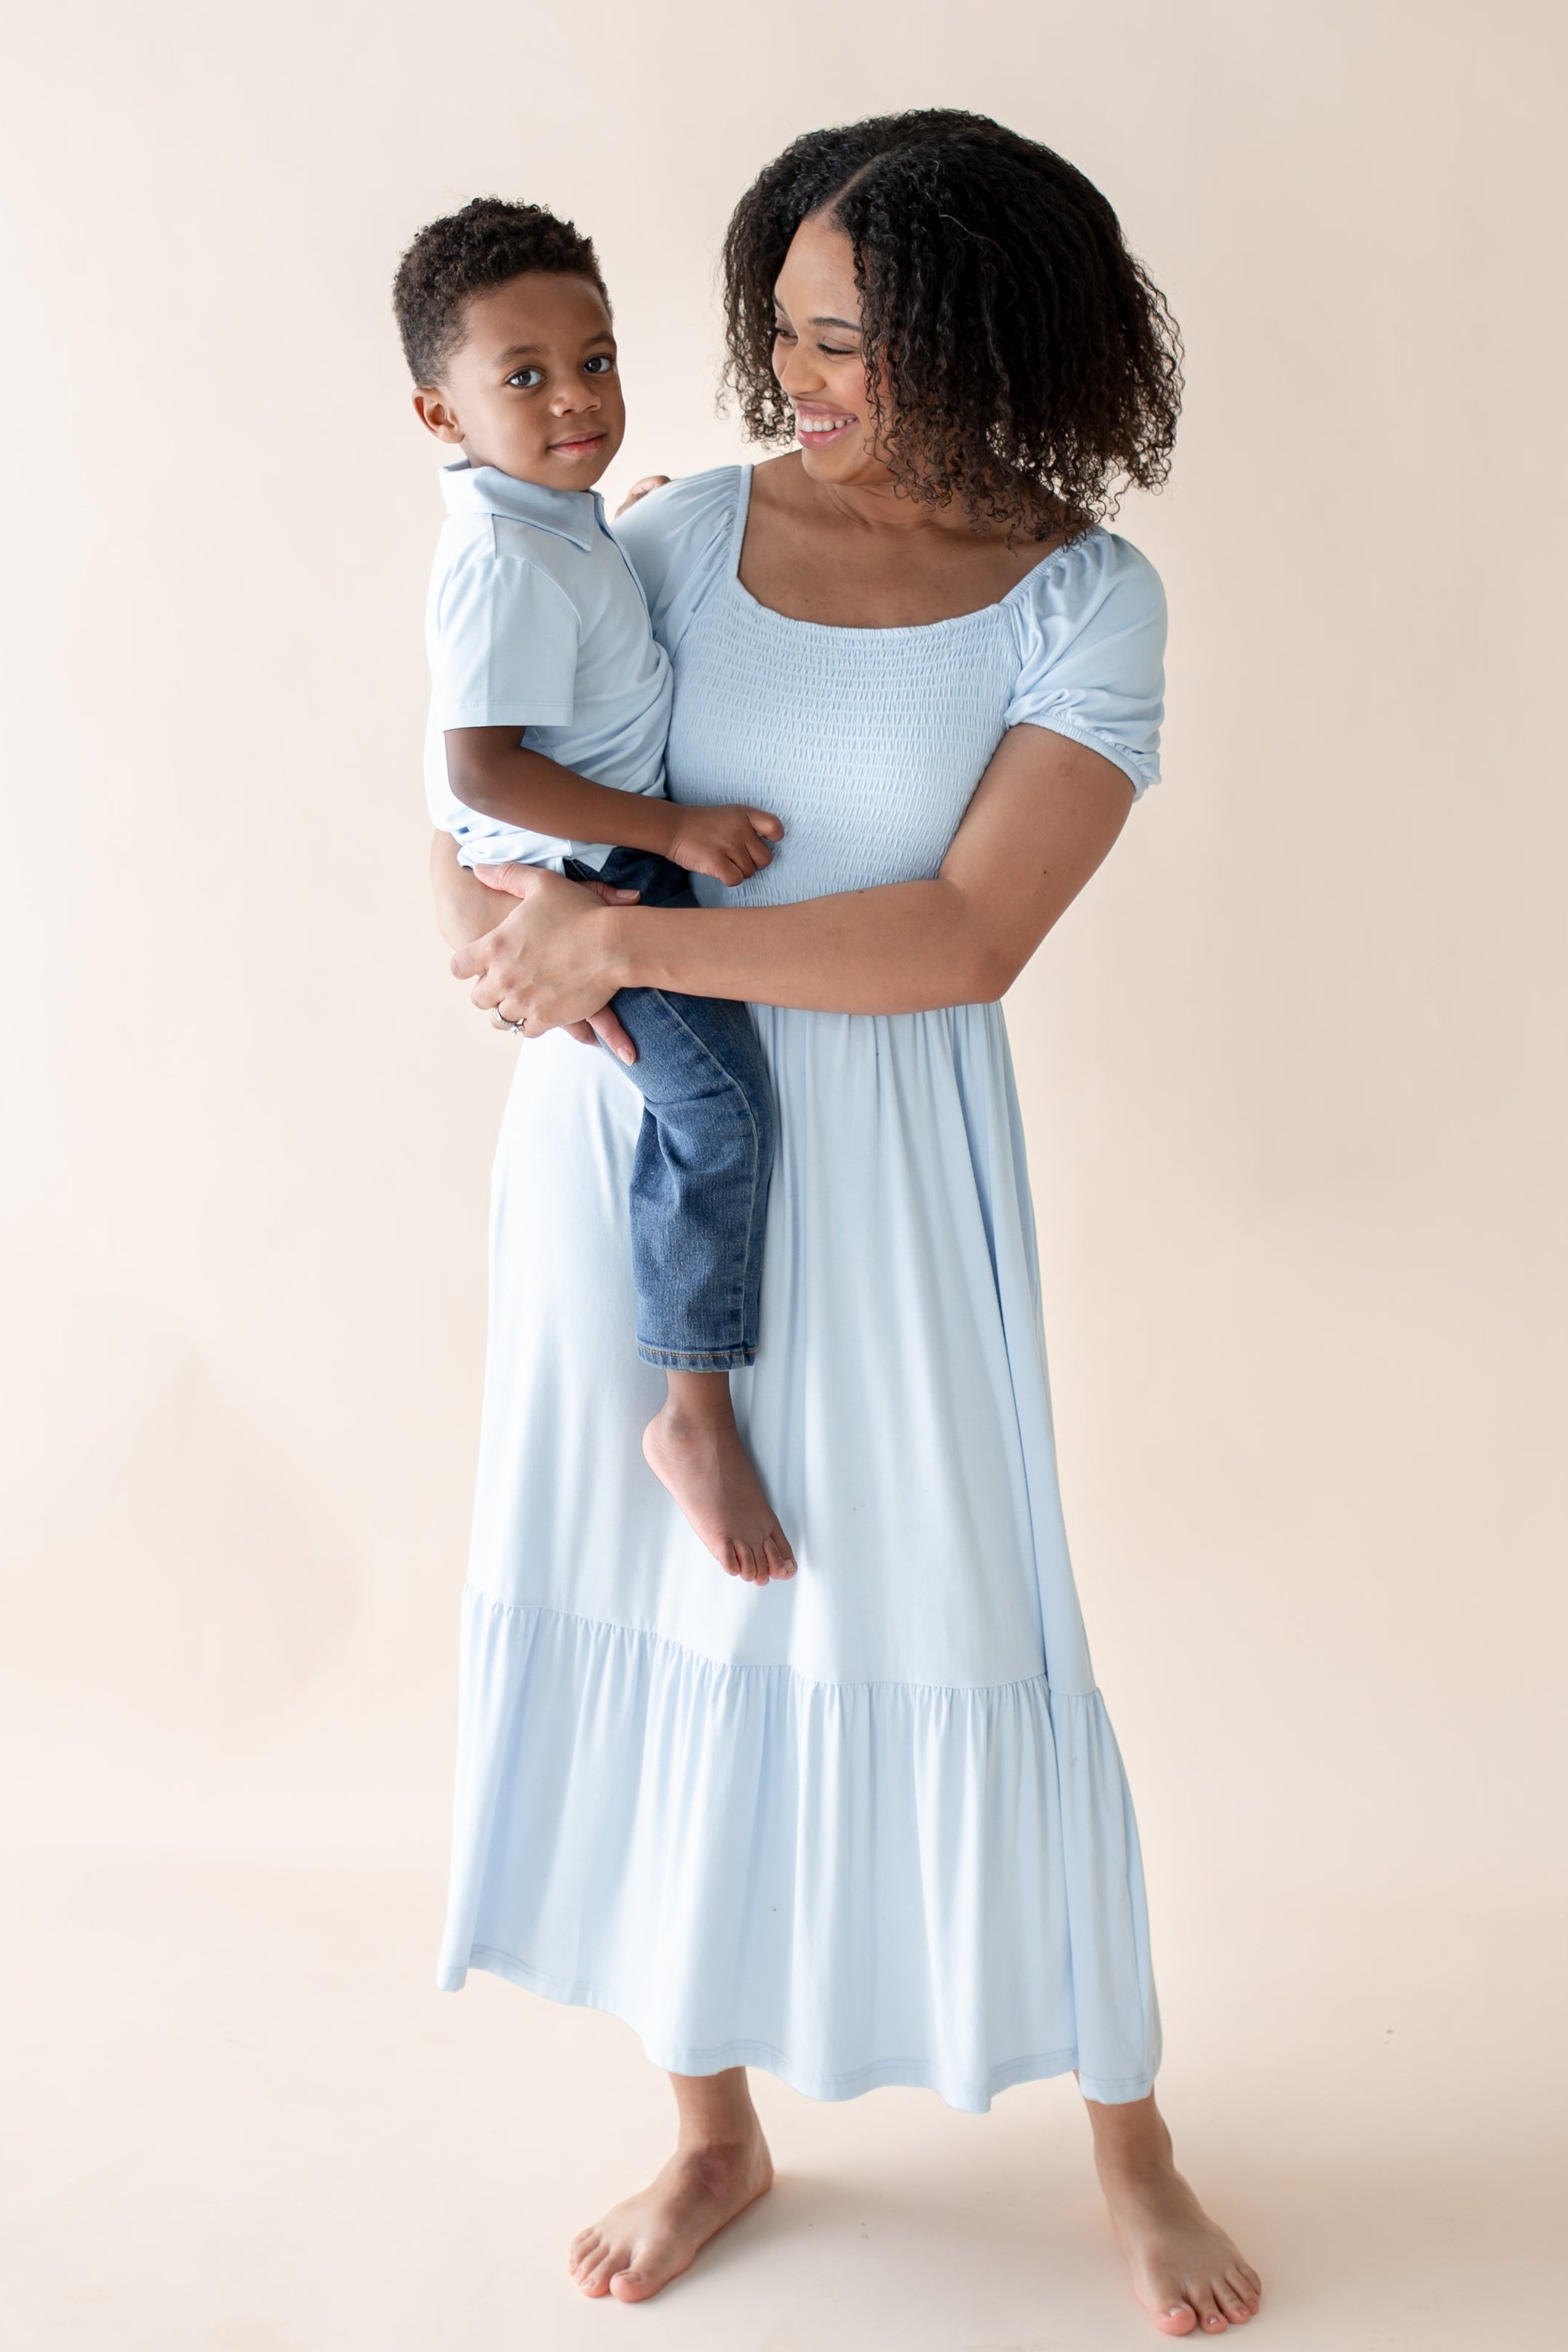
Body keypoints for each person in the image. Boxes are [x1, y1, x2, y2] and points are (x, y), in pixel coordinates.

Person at [432, 112, 1264, 2338]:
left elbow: (966, 932)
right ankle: (712, 2125)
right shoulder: (676, 535)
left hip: (890, 1187)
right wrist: (525, 939)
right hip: (624, 1153)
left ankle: (1131, 2129)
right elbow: (488, 779)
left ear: (1004, 347)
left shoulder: (1090, 600)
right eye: (789, 334)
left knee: (975, 1623)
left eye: (862, 347)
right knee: (655, 1608)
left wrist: (626, 953)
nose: (807, 382)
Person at [395, 197, 794, 1583]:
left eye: (599, 358)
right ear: (441, 416)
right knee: (722, 1112)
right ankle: (693, 1413)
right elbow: (489, 772)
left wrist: (616, 538)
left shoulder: (552, 525)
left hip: (588, 851)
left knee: (711, 1101)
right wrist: (672, 836)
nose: (578, 398)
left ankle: (696, 1396)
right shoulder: (505, 554)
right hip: (589, 865)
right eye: (525, 377)